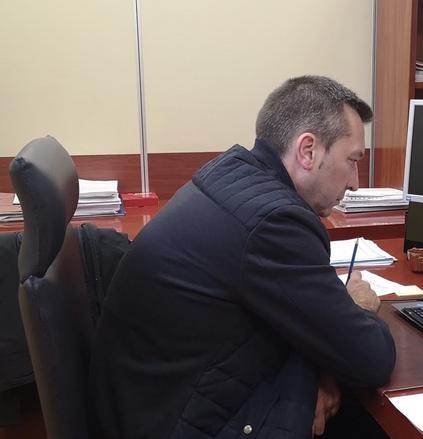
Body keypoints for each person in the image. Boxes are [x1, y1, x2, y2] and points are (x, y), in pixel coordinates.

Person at [88, 76, 396, 439]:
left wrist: (326, 361)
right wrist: (356, 306)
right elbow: (371, 358)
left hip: (149, 402)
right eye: (353, 160)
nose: (356, 182)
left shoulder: (230, 174)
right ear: (308, 150)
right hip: (178, 420)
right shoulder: (274, 222)